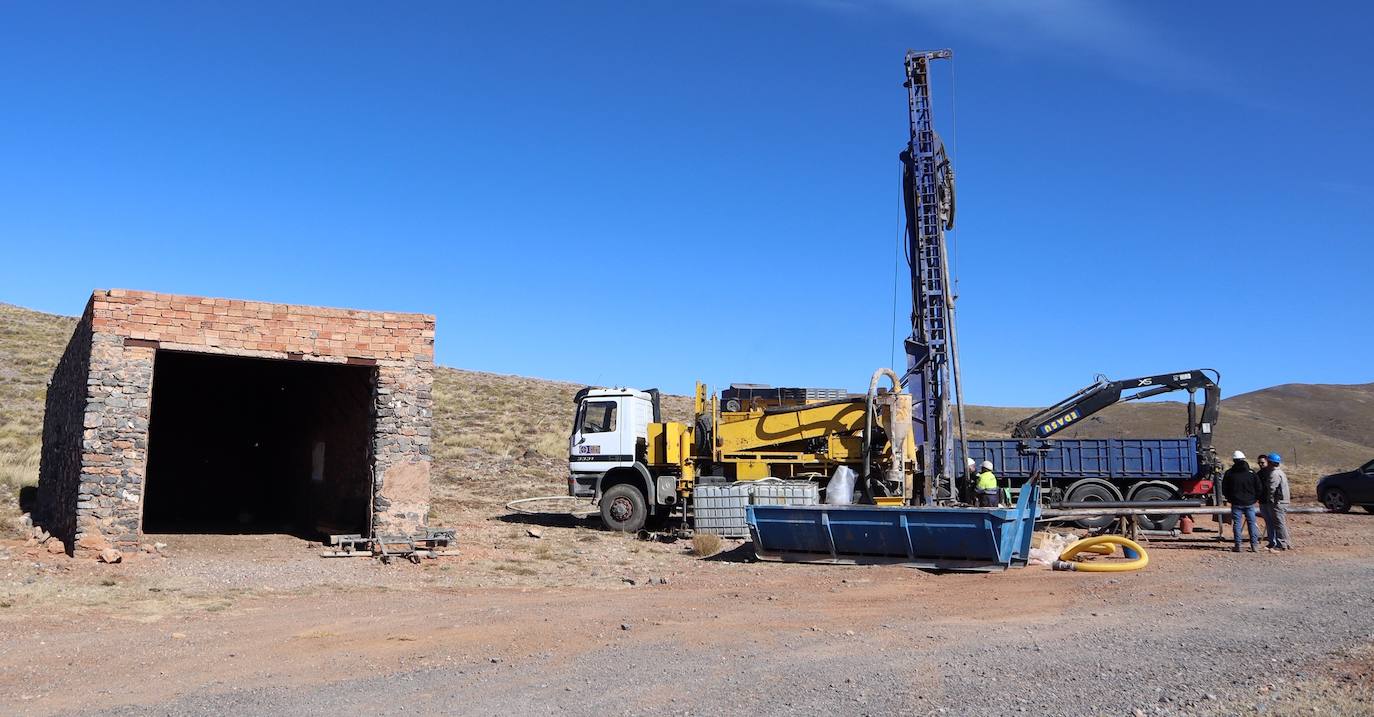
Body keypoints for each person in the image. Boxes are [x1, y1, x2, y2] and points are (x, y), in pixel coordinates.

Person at [1221, 451, 1263, 552]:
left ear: (1234, 461)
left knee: (1237, 524)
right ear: (1244, 459)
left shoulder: (1229, 473)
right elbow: (1259, 487)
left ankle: (1238, 545)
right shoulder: (1251, 473)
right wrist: (1254, 498)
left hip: (1236, 503)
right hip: (1249, 503)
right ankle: (1254, 545)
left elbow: (1224, 489)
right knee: (1252, 523)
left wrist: (1230, 499)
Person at [1265, 453, 1293, 551]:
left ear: (1271, 463)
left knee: (1279, 523)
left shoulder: (1274, 474)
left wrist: (1270, 499)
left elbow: (1272, 488)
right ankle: (1287, 542)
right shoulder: (1281, 472)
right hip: (1284, 501)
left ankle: (1282, 544)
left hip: (1279, 502)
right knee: (1281, 523)